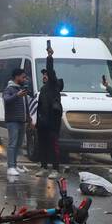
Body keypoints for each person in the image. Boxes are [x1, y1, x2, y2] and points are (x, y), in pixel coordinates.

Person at [33, 42, 64, 178]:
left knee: (53, 146)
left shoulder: (54, 85)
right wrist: (36, 121)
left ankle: (55, 169)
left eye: (46, 74)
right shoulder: (43, 89)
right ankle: (44, 166)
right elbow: (39, 106)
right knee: (43, 145)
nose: (44, 76)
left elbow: (51, 71)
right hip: (43, 122)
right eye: (43, 75)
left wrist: (49, 56)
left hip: (53, 123)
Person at [2, 67, 32, 178]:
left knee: (19, 145)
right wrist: (17, 95)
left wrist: (28, 117)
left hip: (21, 120)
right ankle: (10, 167)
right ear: (17, 77)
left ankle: (15, 165)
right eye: (23, 77)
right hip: (13, 120)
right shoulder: (9, 88)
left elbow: (25, 104)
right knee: (12, 144)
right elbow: (6, 100)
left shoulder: (21, 88)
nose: (25, 79)